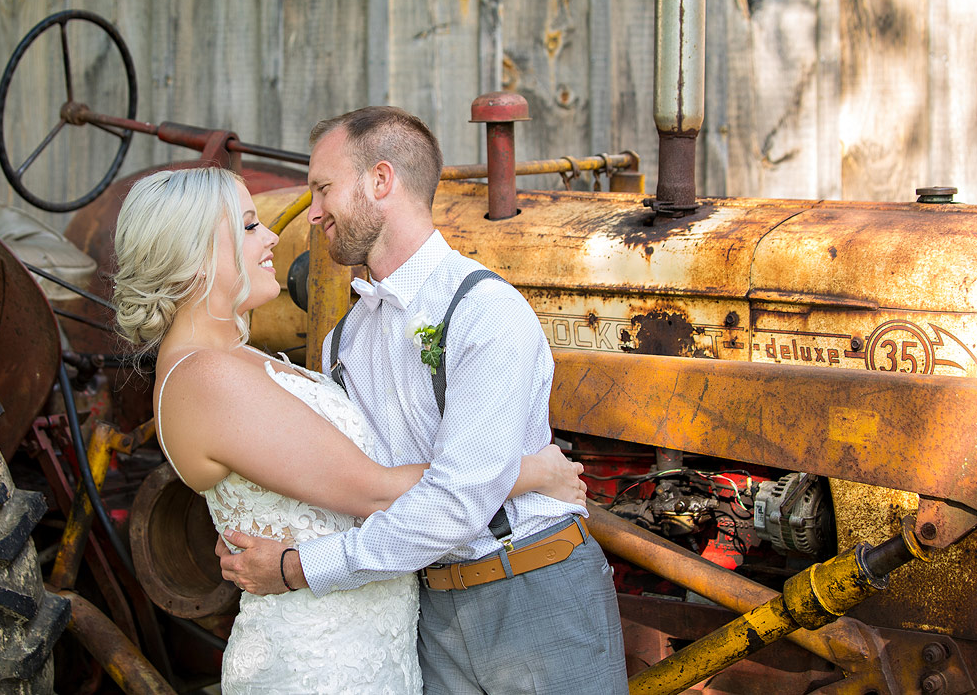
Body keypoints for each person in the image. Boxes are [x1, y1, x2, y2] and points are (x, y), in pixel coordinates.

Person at [112, 166, 588, 693]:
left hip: (374, 645)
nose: (271, 237)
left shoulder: (232, 358)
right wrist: (533, 472)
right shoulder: (206, 377)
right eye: (248, 226)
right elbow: (375, 490)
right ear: (194, 255)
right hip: (321, 662)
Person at [218, 107, 628, 694]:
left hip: (533, 593)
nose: (313, 212)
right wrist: (248, 522)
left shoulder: (484, 311)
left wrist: (297, 567)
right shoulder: (344, 342)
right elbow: (361, 483)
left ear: (380, 180)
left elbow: (458, 503)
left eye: (324, 188)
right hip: (426, 612)